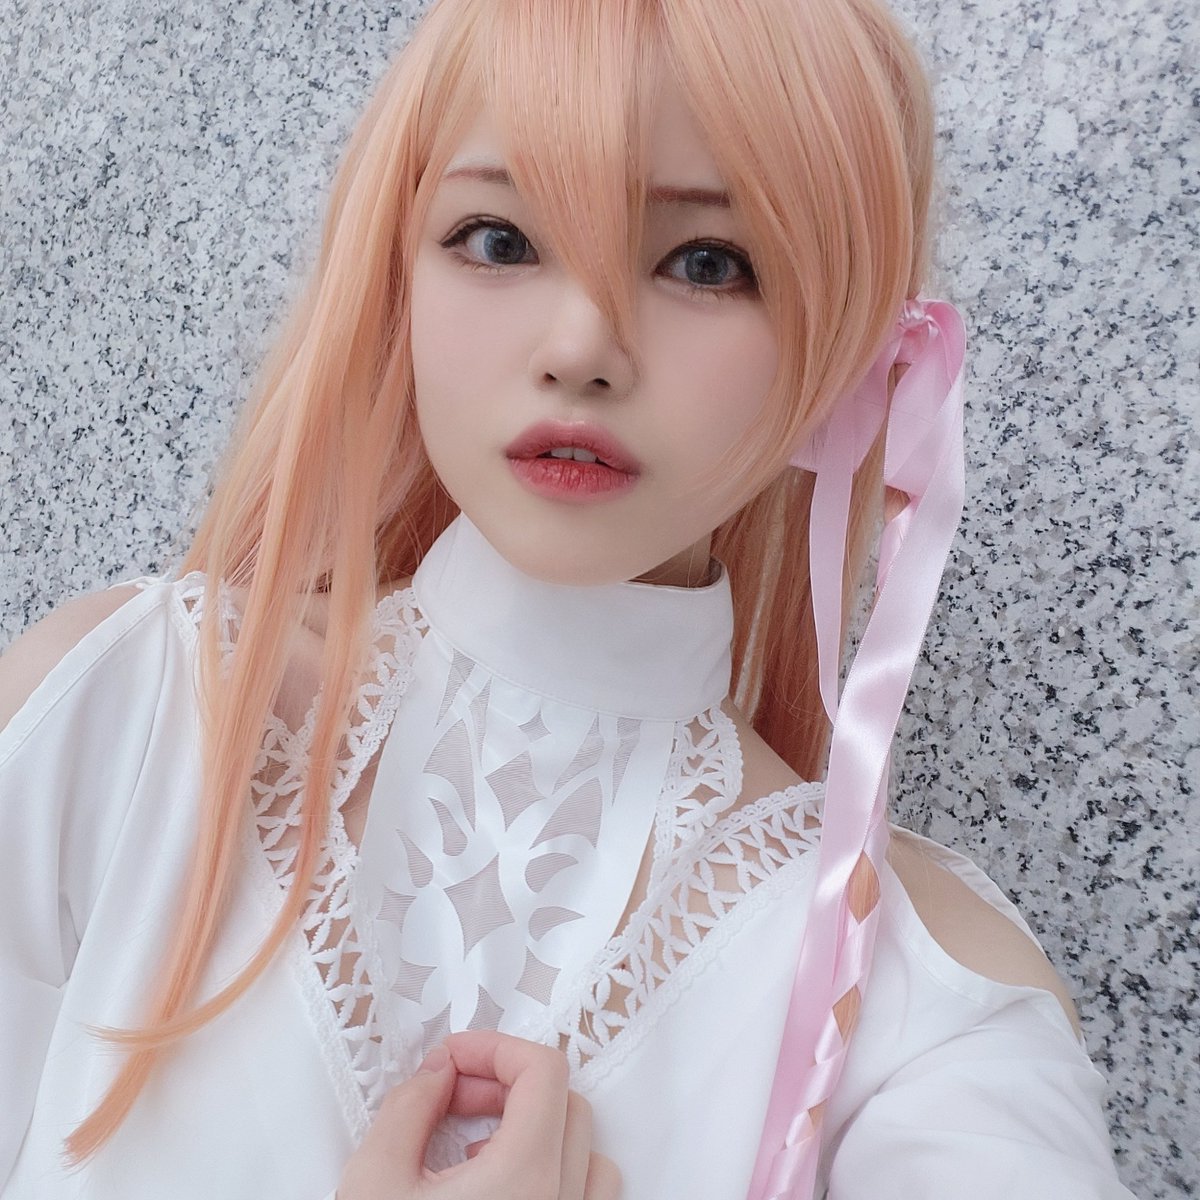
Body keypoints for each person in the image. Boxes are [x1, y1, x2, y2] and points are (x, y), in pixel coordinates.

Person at [0, 0, 1135, 1196]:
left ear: (849, 357)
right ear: (397, 269)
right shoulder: (121, 716)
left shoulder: (923, 997)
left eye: (708, 262)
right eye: (498, 239)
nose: (582, 346)